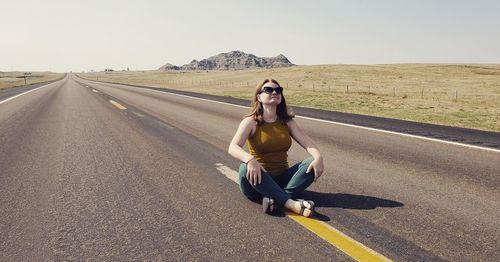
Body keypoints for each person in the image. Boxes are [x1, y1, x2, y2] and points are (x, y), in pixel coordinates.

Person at [228, 79, 324, 217]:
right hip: (257, 181)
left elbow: (307, 143)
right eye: (268, 90)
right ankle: (291, 203)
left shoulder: (287, 122)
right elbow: (233, 147)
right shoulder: (250, 122)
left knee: (311, 162)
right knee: (244, 168)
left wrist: (318, 157)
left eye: (278, 90)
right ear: (259, 97)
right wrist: (250, 160)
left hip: (282, 178)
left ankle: (276, 200)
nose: (274, 92)